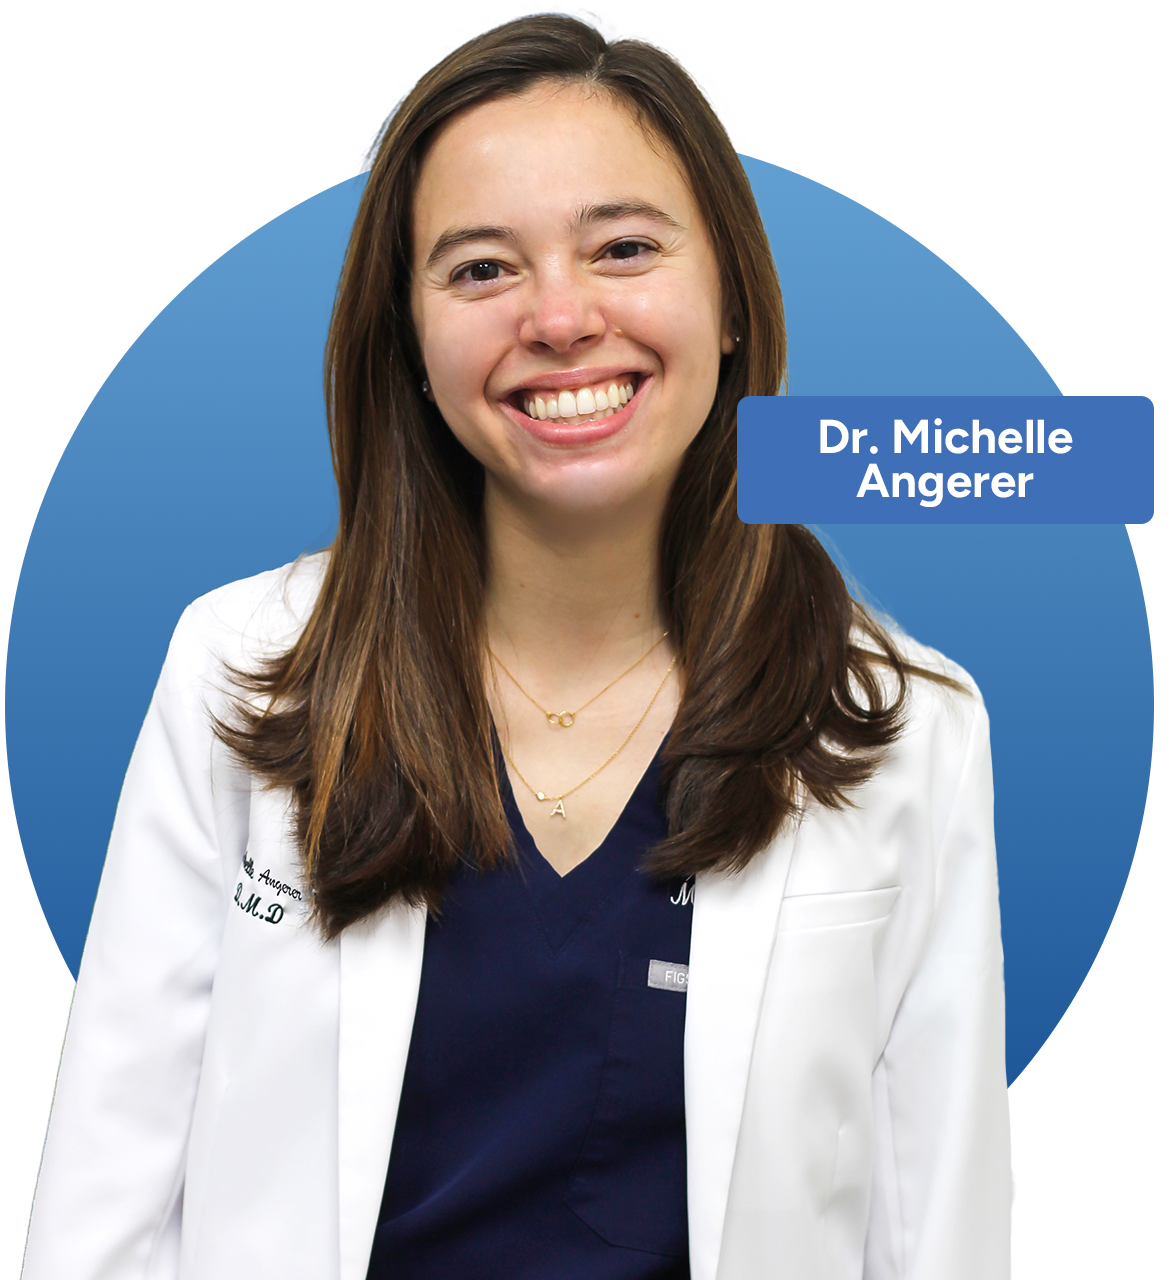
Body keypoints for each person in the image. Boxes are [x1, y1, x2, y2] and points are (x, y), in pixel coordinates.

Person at [21, 15, 1013, 1280]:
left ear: (729, 300)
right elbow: (106, 1202)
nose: (559, 315)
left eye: (624, 247)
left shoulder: (908, 726)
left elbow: (939, 1231)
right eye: (482, 269)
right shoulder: (239, 669)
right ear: (413, 343)